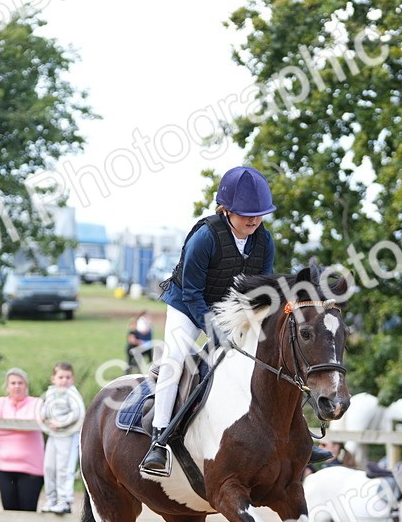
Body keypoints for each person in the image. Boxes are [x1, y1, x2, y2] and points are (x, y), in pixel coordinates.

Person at [141, 165, 332, 476]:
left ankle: (300, 437)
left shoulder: (263, 240)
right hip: (187, 306)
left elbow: (262, 290)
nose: (253, 220)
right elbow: (191, 293)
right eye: (246, 214)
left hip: (231, 307)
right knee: (174, 359)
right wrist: (215, 331)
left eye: (258, 214)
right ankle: (159, 438)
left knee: (278, 358)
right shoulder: (205, 237)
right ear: (226, 210)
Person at [0, 367, 45, 511]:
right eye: (13, 383)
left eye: (20, 383)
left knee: (28, 510)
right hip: (4, 467)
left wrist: (6, 427)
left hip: (32, 468)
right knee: (9, 508)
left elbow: (38, 424)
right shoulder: (0, 403)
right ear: (7, 386)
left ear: (26, 385)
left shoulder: (37, 403)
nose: (17, 386)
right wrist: (22, 428)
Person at [38, 362, 85, 514]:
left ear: (72, 379)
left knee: (64, 468)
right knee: (49, 467)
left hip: (68, 435)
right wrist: (43, 415)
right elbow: (46, 409)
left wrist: (60, 422)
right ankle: (51, 499)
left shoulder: (72, 394)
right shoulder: (51, 392)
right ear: (53, 379)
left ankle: (64, 500)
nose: (64, 380)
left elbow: (77, 413)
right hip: (54, 436)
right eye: (61, 377)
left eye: (68, 377)